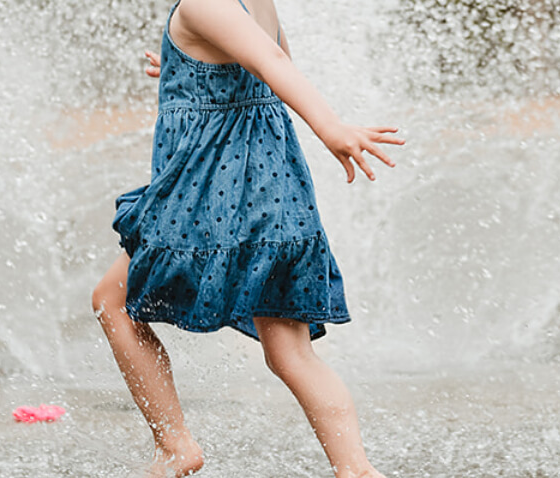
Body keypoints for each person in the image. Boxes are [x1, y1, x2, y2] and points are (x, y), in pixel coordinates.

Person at [90, 0, 403, 476]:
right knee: (291, 353)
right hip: (272, 192)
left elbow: (274, 66)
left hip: (210, 192)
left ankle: (175, 445)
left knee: (111, 302)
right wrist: (185, 71)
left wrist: (331, 128)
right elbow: (267, 70)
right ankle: (357, 470)